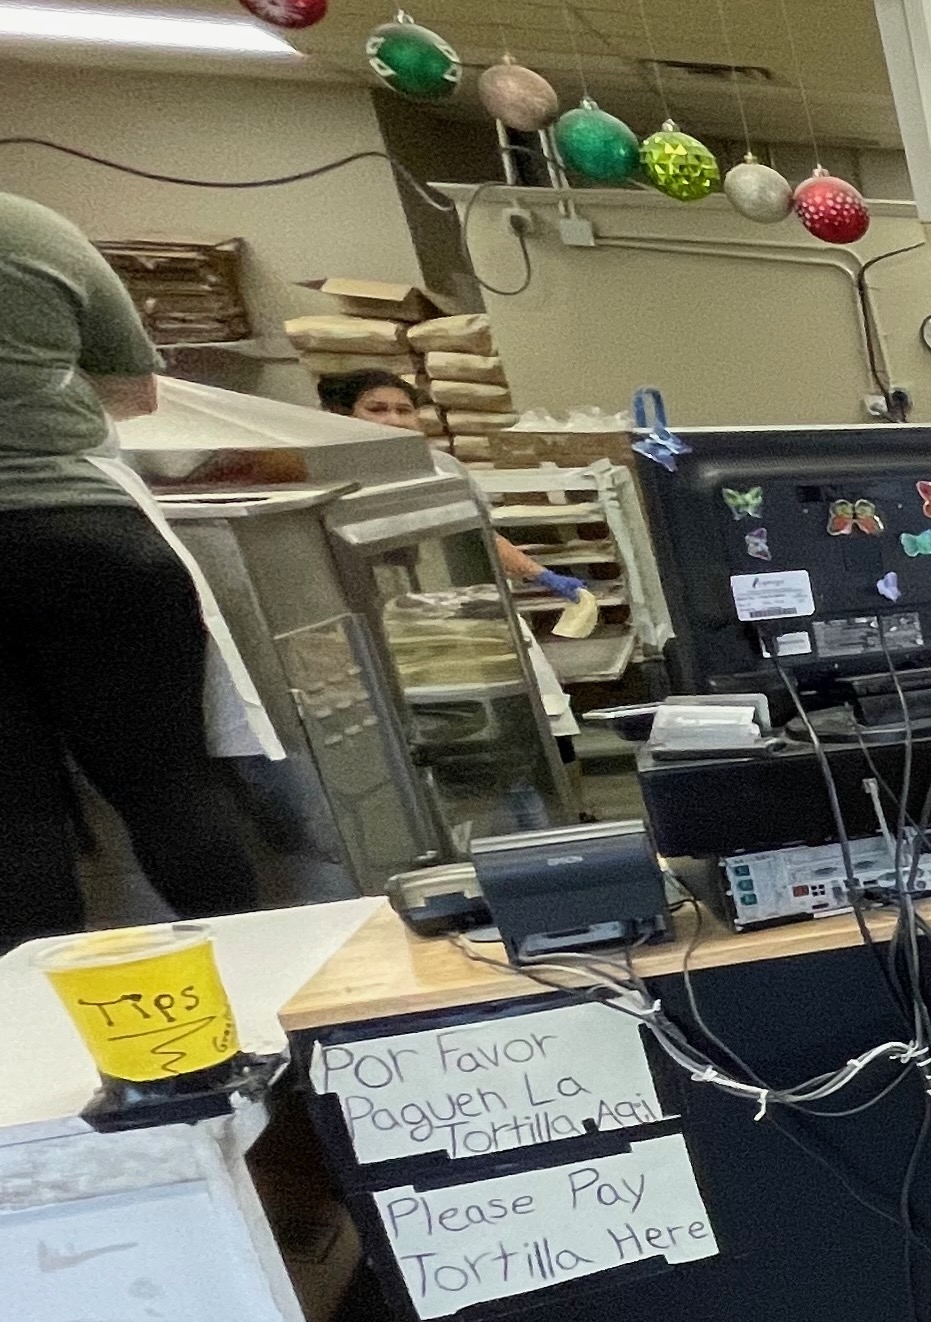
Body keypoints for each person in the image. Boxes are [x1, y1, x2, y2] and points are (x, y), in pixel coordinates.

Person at [0, 187, 257, 947]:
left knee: (13, 814)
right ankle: (251, 973)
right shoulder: (33, 226)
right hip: (83, 534)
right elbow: (135, 394)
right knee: (167, 785)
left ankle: (34, 1015)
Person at [317, 366, 576, 598]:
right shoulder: (329, 479)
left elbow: (482, 534)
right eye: (377, 409)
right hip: (374, 599)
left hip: (452, 594)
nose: (394, 420)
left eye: (404, 410)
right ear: (344, 416)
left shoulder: (443, 467)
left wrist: (540, 573)